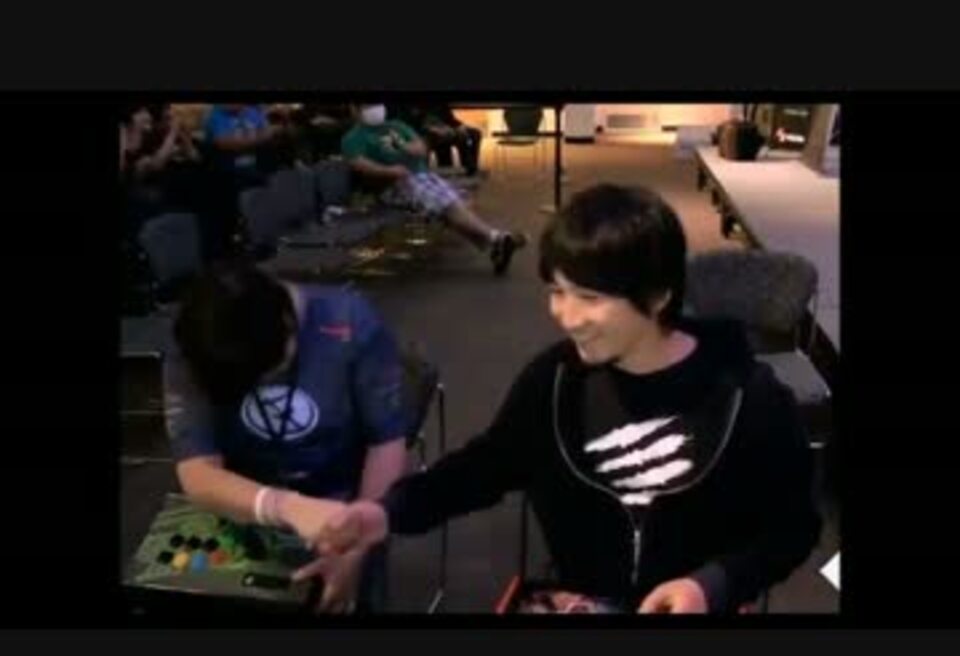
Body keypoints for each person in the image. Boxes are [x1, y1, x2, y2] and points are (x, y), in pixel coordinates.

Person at [294, 184, 823, 614]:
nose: (566, 317)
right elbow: (484, 468)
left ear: (659, 296)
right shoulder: (554, 382)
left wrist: (713, 584)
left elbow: (795, 527)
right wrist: (384, 514)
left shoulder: (748, 396)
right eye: (556, 291)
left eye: (589, 298)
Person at [162, 262, 410, 613]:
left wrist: (354, 544)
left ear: (289, 325)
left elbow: (385, 443)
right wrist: (283, 506)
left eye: (270, 371)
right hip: (242, 504)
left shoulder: (350, 321)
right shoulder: (199, 337)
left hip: (344, 505)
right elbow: (198, 472)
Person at [341, 104, 525, 276]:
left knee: (456, 204)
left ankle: (496, 245)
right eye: (368, 105)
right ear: (355, 109)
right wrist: (388, 171)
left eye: (376, 103)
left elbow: (420, 148)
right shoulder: (354, 137)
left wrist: (407, 147)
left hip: (423, 177)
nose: (375, 108)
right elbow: (359, 164)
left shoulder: (396, 126)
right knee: (449, 204)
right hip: (393, 184)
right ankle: (496, 238)